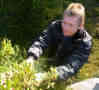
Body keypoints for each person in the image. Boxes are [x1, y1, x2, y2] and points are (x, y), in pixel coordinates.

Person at [26, 3, 92, 81]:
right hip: (53, 56)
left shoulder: (85, 42)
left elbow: (71, 67)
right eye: (64, 22)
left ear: (80, 26)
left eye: (71, 25)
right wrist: (32, 57)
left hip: (67, 69)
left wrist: (47, 76)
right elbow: (42, 41)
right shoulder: (56, 26)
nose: (65, 28)